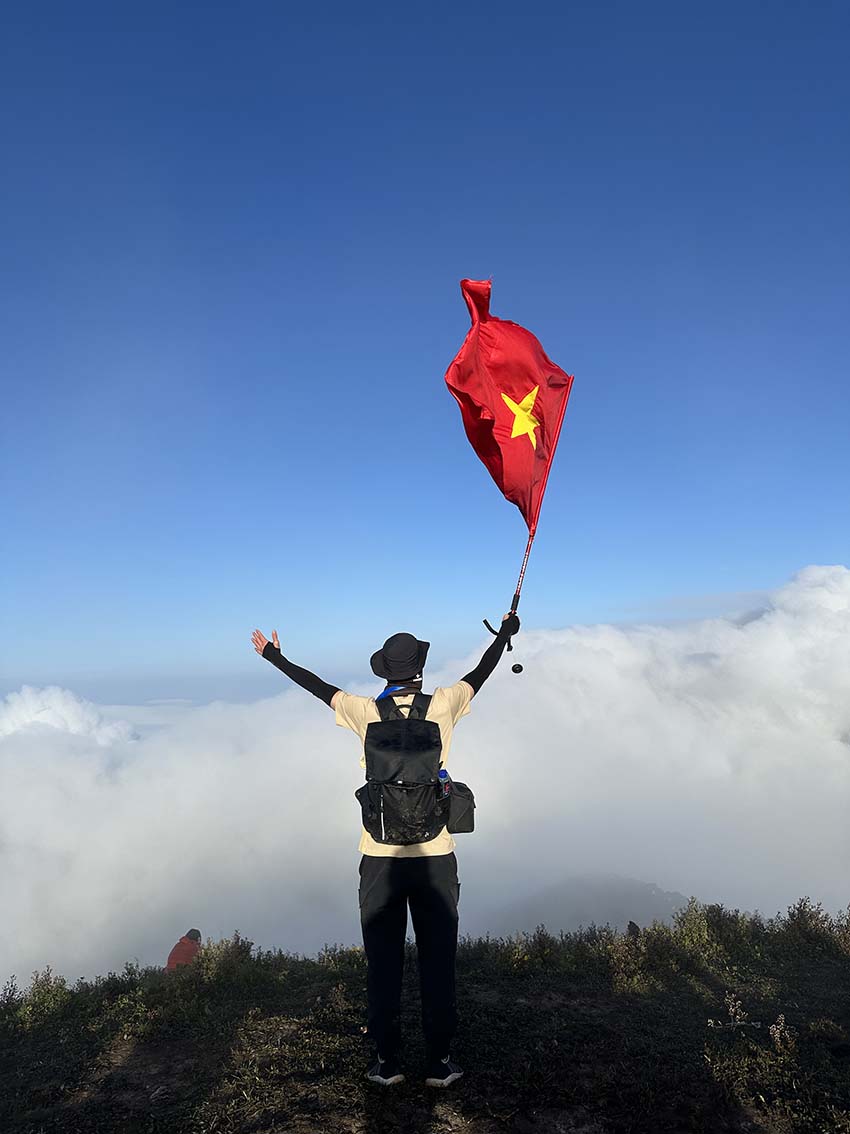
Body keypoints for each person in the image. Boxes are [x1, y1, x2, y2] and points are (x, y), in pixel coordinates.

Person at [251, 612, 519, 1088]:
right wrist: (503, 634)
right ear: (419, 666)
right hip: (436, 854)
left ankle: (387, 1062)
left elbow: (317, 686)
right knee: (438, 960)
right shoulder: (446, 704)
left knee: (384, 959)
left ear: (385, 672)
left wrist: (275, 656)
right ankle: (439, 1062)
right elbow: (482, 671)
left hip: (378, 855)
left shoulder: (364, 711)